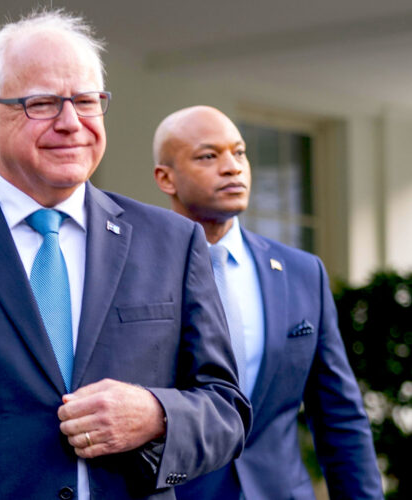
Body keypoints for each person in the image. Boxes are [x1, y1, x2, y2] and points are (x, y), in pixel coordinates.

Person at [0, 11, 250, 500]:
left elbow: (227, 411)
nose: (71, 123)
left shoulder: (173, 242)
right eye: (43, 103)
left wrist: (156, 414)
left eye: (87, 102)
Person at [152, 105, 383, 499]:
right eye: (209, 156)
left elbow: (339, 416)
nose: (232, 167)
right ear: (166, 178)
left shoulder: (302, 272)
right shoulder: (140, 270)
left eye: (239, 152)